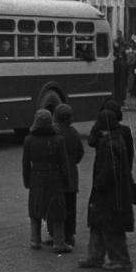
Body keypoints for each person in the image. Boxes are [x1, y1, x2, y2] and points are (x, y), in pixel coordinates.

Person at [78, 110, 134, 272]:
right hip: (111, 192)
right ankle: (95, 256)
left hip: (109, 193)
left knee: (109, 226)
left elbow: (111, 170)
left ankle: (120, 260)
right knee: (99, 223)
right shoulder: (114, 139)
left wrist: (100, 184)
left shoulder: (110, 143)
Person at [22, 109, 71, 254]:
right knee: (57, 209)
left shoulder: (29, 140)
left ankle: (35, 240)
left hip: (36, 176)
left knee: (35, 208)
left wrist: (27, 181)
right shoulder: (58, 139)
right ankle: (59, 242)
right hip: (54, 177)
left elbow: (25, 164)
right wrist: (66, 181)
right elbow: (64, 163)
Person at [52, 104, 83, 247]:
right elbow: (79, 154)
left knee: (56, 207)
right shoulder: (74, 133)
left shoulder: (54, 134)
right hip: (71, 175)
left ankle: (56, 235)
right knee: (70, 207)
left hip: (57, 177)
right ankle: (70, 235)